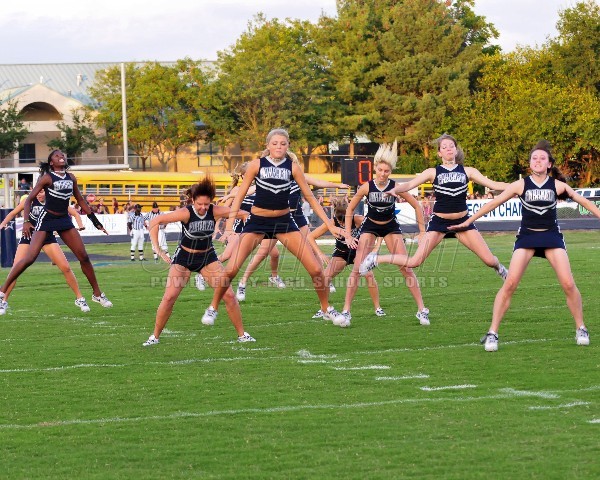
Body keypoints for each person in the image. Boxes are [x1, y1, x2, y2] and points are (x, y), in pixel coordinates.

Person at [448, 140, 600, 351]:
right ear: (529, 163)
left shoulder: (558, 186)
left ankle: (581, 328)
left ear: (549, 164)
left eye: (542, 158)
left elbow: (585, 202)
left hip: (551, 237)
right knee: (510, 284)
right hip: (527, 237)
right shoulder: (520, 185)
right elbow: (493, 203)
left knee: (568, 283)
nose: (538, 161)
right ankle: (492, 332)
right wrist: (467, 222)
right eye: (534, 158)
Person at [212, 128, 351, 324]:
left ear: (288, 146)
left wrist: (330, 224)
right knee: (232, 268)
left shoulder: (294, 168)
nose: (279, 146)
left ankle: (326, 308)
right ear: (267, 145)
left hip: (286, 221)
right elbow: (241, 193)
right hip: (258, 221)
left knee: (315, 270)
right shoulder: (256, 165)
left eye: (283, 143)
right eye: (275, 143)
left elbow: (312, 197)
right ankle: (214, 306)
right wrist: (228, 229)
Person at [359, 134, 510, 282]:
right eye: (444, 147)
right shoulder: (432, 172)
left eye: (451, 146)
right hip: (439, 223)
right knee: (415, 261)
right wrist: (395, 190)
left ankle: (500, 268)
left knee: (490, 260)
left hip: (463, 222)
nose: (448, 148)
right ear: (439, 153)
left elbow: (494, 184)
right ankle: (376, 259)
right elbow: (410, 184)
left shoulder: (468, 171)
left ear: (456, 150)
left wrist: (515, 186)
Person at [142, 176, 255, 346]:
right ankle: (154, 337)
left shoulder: (215, 211)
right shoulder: (185, 213)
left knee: (229, 295)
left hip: (207, 257)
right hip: (184, 258)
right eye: (199, 204)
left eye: (206, 204)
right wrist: (157, 249)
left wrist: (245, 226)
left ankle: (242, 335)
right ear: (193, 200)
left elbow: (243, 214)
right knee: (169, 298)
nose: (203, 208)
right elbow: (155, 221)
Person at [0, 149, 113, 309]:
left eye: (62, 155)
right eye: (57, 155)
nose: (61, 156)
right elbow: (29, 199)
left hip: (64, 220)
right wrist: (26, 221)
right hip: (46, 219)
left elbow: (80, 200)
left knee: (83, 257)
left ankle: (97, 294)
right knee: (29, 258)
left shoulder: (71, 177)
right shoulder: (47, 177)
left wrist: (95, 221)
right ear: (51, 162)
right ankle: (2, 291)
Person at [232, 152, 350, 302]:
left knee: (310, 248)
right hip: (280, 218)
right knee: (263, 252)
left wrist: (337, 185)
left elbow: (318, 182)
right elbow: (249, 190)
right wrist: (231, 196)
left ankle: (325, 279)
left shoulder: (297, 174)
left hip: (297, 216)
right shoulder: (272, 177)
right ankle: (243, 282)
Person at [337, 141, 429, 327]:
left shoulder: (395, 186)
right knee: (357, 268)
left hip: (390, 227)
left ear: (390, 172)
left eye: (386, 171)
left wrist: (422, 232)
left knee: (406, 267)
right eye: (380, 170)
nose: (382, 174)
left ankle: (422, 310)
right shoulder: (366, 187)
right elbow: (350, 209)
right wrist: (348, 234)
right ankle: (346, 311)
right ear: (375, 169)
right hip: (370, 226)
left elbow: (417, 206)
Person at [0, 190, 90, 314]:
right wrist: (2, 224)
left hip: (47, 237)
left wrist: (80, 225)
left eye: (42, 191)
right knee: (16, 269)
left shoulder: (54, 201)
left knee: (65, 267)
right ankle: (3, 301)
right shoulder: (28, 201)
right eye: (38, 191)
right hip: (29, 236)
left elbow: (74, 213)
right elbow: (13, 213)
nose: (39, 194)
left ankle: (80, 298)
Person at [307, 196, 385, 318]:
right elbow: (310, 237)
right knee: (325, 278)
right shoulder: (332, 222)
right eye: (340, 220)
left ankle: (378, 308)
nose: (343, 223)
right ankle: (324, 309)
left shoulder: (358, 219)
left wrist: (376, 247)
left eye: (345, 219)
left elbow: (379, 229)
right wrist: (320, 253)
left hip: (357, 252)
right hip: (341, 253)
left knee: (369, 275)